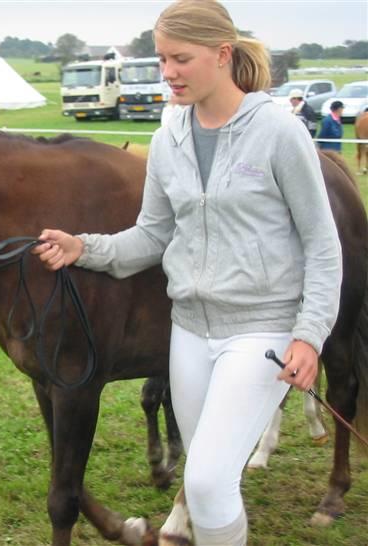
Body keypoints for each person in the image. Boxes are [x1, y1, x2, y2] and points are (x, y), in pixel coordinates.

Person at [32, 1, 342, 544]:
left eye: (180, 59)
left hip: (262, 330)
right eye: (161, 60)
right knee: (208, 478)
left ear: (222, 55)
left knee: (204, 481)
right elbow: (152, 235)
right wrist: (84, 247)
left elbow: (322, 242)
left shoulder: (277, 131)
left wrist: (310, 335)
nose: (168, 72)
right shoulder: (168, 136)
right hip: (190, 333)